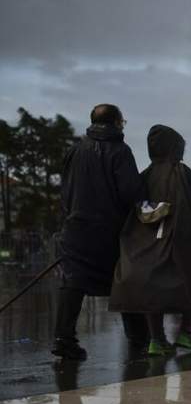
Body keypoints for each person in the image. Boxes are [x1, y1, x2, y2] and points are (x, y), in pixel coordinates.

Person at [53, 104, 147, 360]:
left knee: (73, 281)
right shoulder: (120, 150)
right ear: (117, 122)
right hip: (109, 230)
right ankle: (140, 338)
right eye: (122, 121)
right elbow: (130, 192)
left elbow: (65, 189)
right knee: (125, 277)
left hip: (76, 227)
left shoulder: (75, 150)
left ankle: (64, 337)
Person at [109, 125, 191, 356]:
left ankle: (157, 339)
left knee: (151, 287)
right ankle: (187, 331)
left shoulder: (144, 175)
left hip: (147, 246)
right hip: (177, 243)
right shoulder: (182, 173)